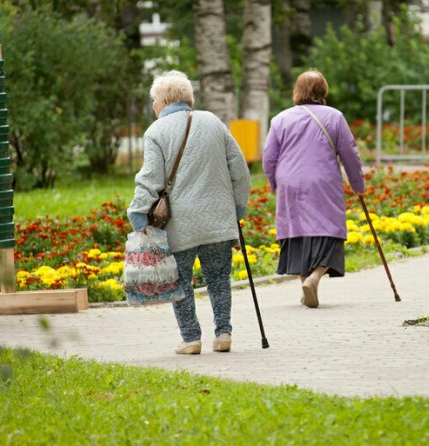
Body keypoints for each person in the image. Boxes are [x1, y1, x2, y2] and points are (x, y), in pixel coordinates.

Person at [127, 70, 251, 355]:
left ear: (165, 100)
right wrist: (237, 209)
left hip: (180, 225)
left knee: (180, 282)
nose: (153, 106)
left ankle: (191, 339)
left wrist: (137, 215)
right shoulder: (213, 122)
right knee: (219, 279)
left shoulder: (155, 132)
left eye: (154, 101)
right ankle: (224, 334)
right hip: (219, 220)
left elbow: (150, 180)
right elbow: (240, 171)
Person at [262, 69, 365, 308]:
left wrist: (273, 182)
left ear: (297, 91)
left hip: (290, 181)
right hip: (322, 180)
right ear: (323, 90)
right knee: (329, 229)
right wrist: (358, 184)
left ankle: (305, 282)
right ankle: (315, 277)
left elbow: (268, 157)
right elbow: (350, 154)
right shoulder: (335, 116)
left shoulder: (280, 119)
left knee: (295, 230)